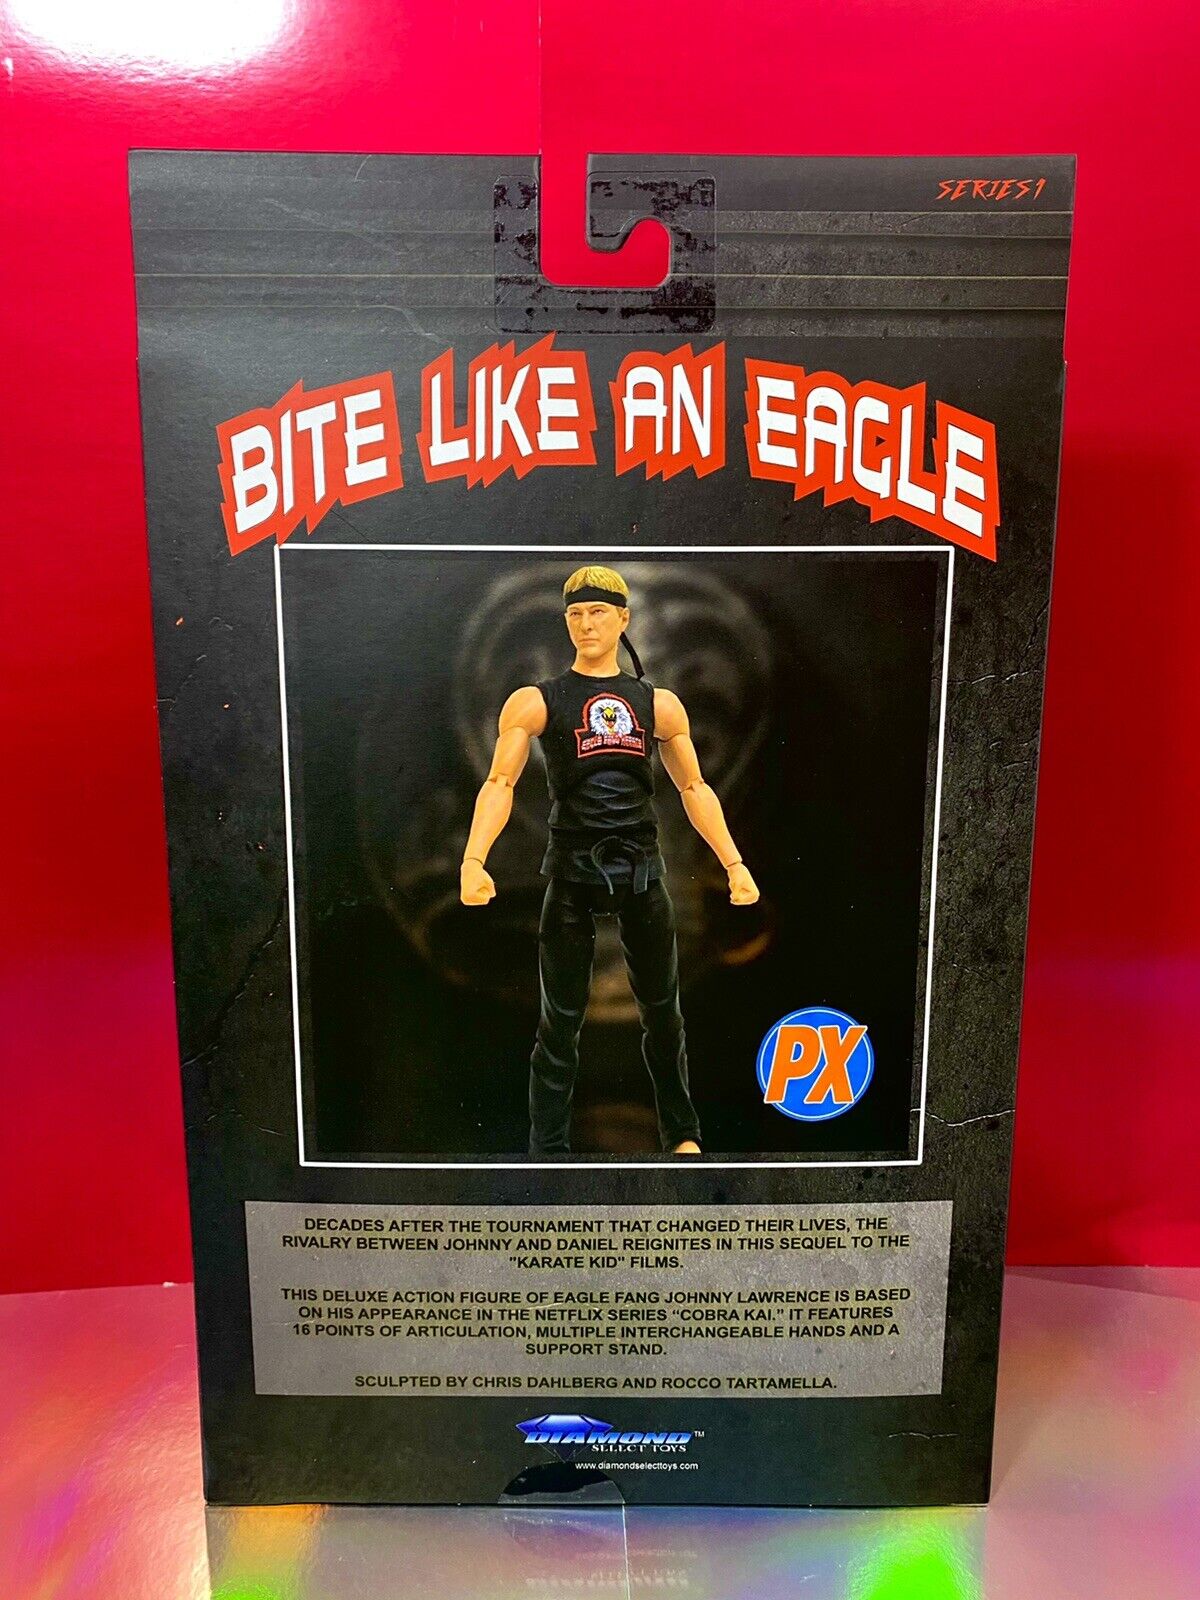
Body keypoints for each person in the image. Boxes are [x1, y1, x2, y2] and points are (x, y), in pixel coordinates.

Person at [460, 564, 759, 1155]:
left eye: (597, 612)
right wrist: (474, 859)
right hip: (571, 871)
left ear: (624, 619)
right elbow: (499, 781)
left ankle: (682, 1133)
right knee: (559, 1023)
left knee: (664, 1015)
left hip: (641, 868)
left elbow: (694, 788)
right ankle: (548, 1148)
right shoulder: (537, 700)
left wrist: (734, 865)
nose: (586, 624)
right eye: (575, 613)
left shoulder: (658, 704)